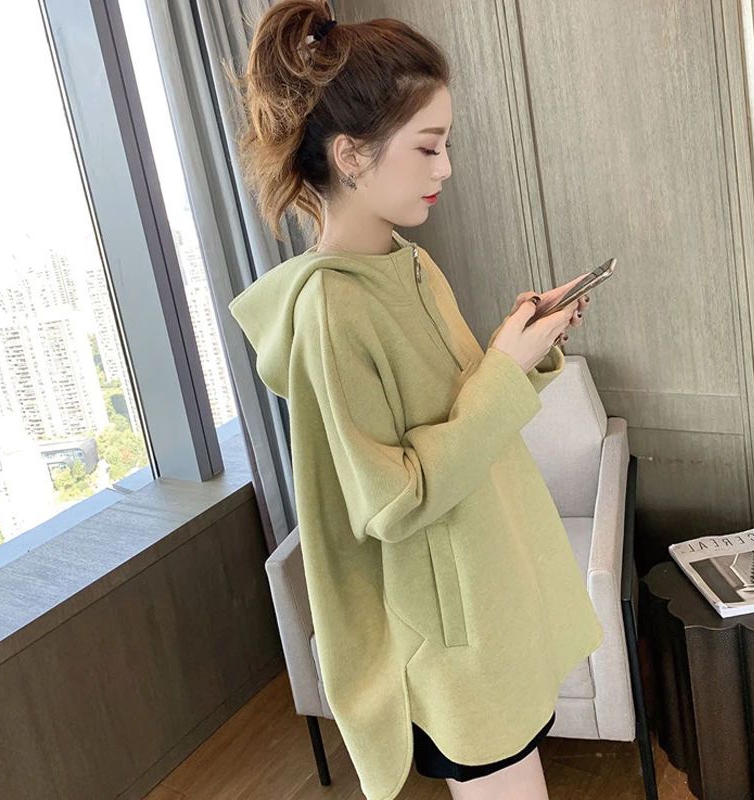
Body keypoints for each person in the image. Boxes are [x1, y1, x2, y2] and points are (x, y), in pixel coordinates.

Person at [226, 3, 601, 799]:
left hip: (496, 591)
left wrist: (520, 348)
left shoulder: (412, 264)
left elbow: (464, 410)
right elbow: (391, 500)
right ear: (351, 155)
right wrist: (505, 371)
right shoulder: (332, 311)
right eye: (428, 146)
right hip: (453, 632)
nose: (446, 168)